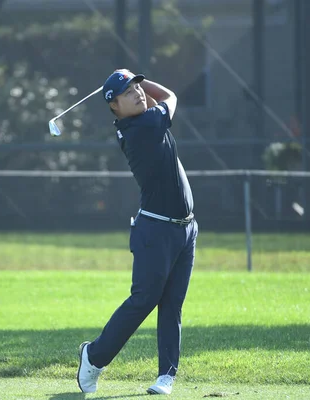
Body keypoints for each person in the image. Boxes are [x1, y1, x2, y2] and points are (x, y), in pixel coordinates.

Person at [77, 69, 198, 395]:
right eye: (129, 92)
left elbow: (159, 99)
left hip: (185, 229)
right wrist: (147, 82)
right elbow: (170, 97)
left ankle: (166, 375)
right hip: (155, 230)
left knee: (172, 304)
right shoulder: (142, 127)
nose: (139, 94)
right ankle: (93, 356)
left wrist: (135, 81)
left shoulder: (142, 120)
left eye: (137, 87)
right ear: (115, 106)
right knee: (144, 299)